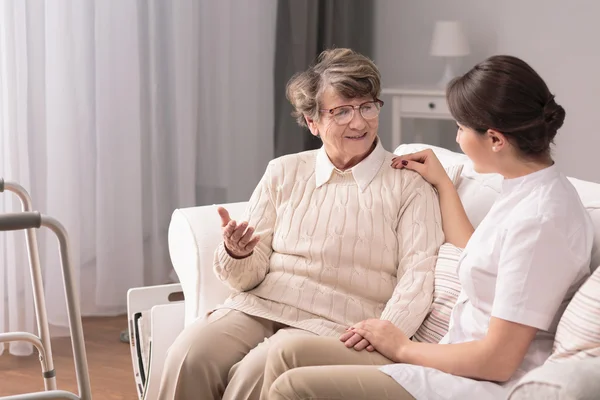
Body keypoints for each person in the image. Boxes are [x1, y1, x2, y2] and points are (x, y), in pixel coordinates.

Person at [261, 55, 594, 400]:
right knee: (286, 354)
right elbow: (480, 251)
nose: (457, 138)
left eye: (462, 128)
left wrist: (401, 347)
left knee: (292, 387)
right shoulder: (524, 188)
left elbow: (498, 361)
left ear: (495, 139)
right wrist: (443, 185)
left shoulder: (542, 221)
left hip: (478, 383)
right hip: (450, 356)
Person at [157, 48, 444, 400]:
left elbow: (418, 276)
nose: (359, 122)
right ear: (313, 122)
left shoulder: (409, 184)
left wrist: (387, 333)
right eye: (341, 112)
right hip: (260, 305)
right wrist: (237, 252)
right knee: (190, 353)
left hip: (339, 324)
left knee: (256, 371)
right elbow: (247, 278)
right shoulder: (284, 171)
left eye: (367, 107)